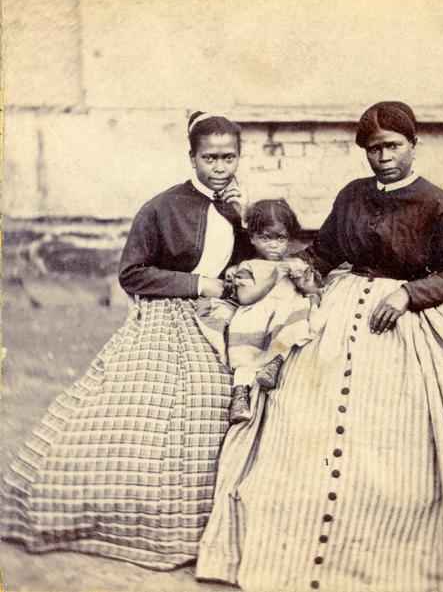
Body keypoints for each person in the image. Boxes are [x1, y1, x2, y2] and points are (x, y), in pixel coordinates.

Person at [195, 102, 443, 592]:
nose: (383, 158)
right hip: (339, 307)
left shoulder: (438, 204)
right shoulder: (352, 195)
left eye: (393, 146)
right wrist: (299, 267)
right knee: (294, 401)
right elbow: (325, 251)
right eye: (374, 149)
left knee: (425, 422)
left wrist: (408, 294)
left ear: (413, 145)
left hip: (406, 319)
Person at [0, 111, 253, 569]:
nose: (220, 168)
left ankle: (212, 529)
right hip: (169, 317)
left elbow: (252, 264)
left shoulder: (236, 206)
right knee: (172, 403)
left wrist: (243, 220)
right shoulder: (160, 207)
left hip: (221, 316)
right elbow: (132, 273)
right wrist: (201, 285)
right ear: (191, 157)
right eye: (210, 158)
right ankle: (138, 521)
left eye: (228, 157)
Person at [197, 198, 324, 424]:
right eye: (266, 238)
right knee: (246, 353)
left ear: (290, 238)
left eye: (281, 238)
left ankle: (274, 363)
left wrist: (301, 281)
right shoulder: (248, 267)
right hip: (256, 314)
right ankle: (240, 394)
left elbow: (313, 290)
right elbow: (246, 298)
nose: (274, 245)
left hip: (283, 314)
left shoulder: (295, 263)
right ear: (253, 238)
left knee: (298, 319)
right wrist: (274, 277)